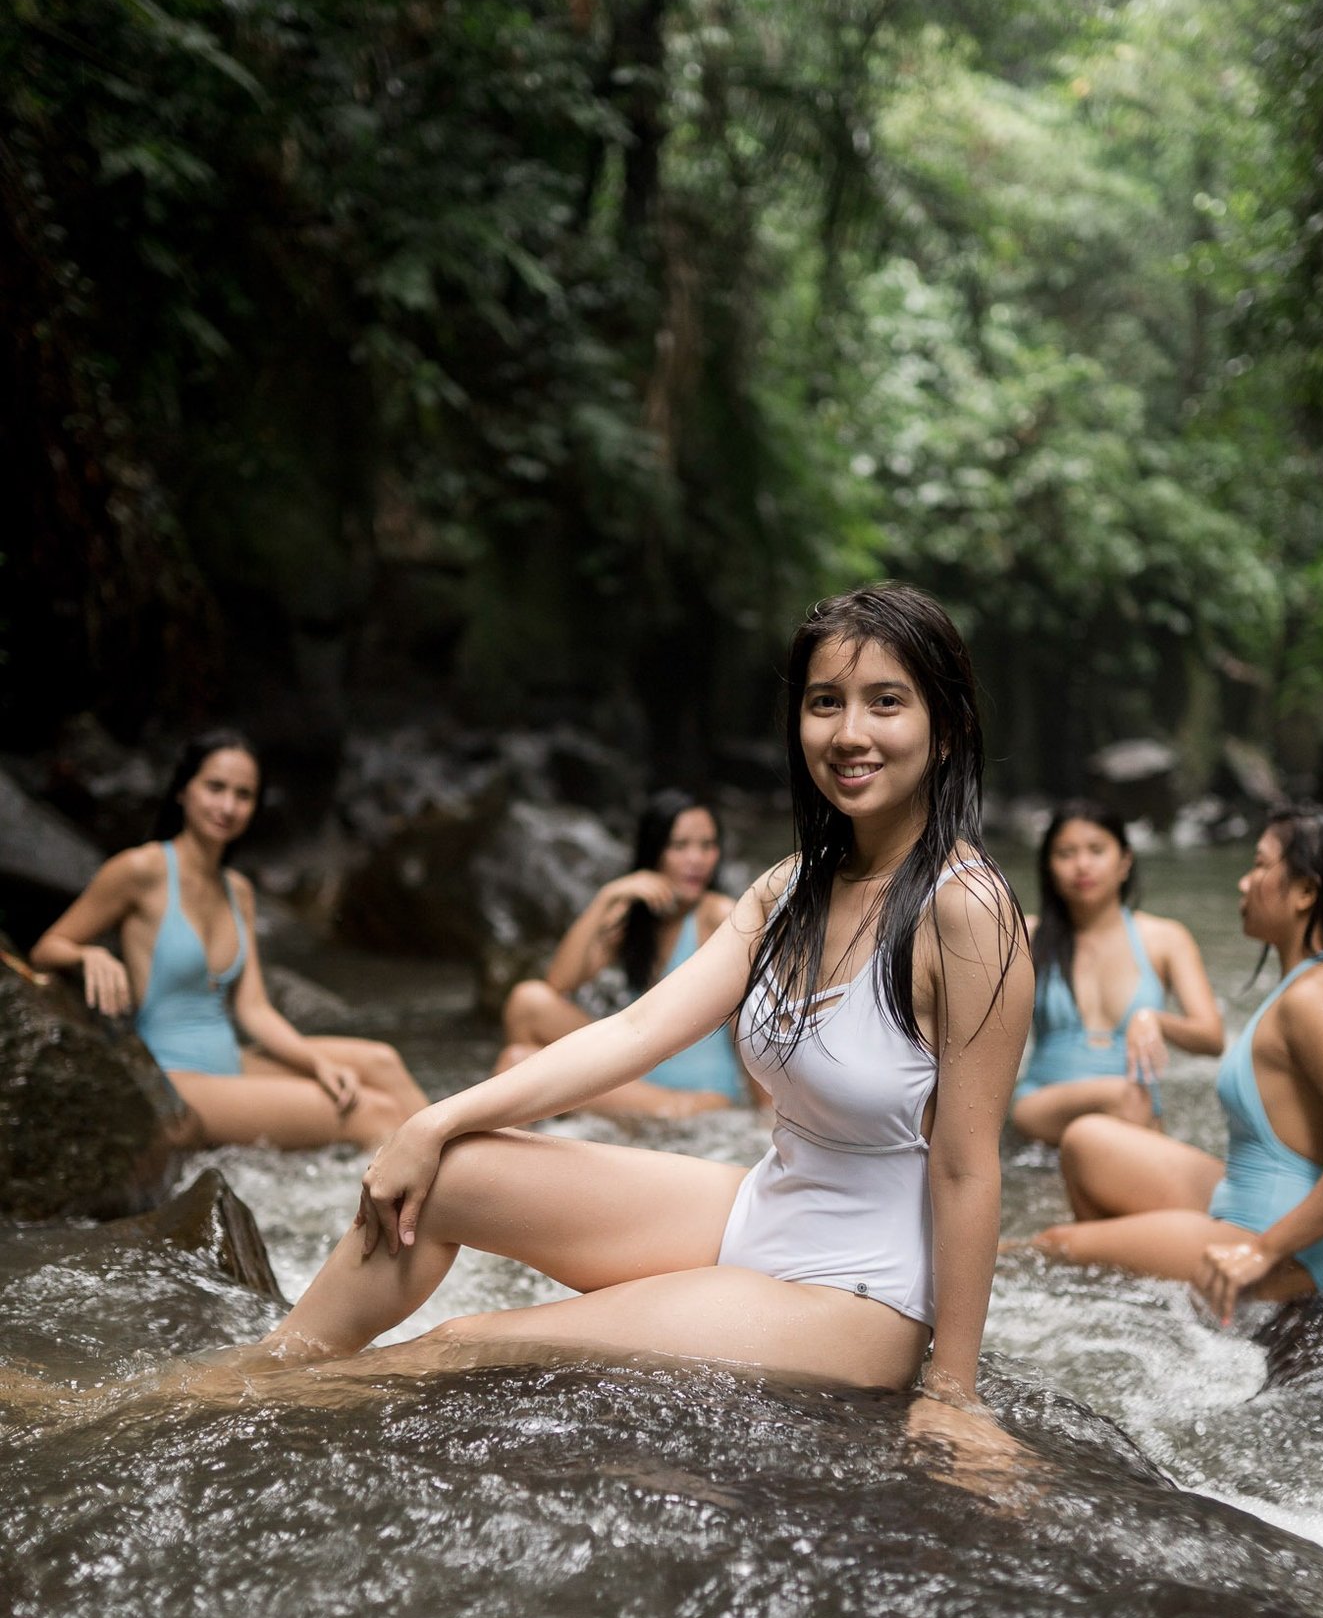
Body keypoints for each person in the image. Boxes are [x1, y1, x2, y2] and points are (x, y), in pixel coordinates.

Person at [21, 586, 1028, 1467]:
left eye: (885, 701)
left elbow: (967, 1169)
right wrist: (435, 1121)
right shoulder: (791, 889)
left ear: (944, 725)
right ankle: (270, 1369)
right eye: (825, 702)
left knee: (464, 1346)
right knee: (445, 1176)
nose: (850, 733)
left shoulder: (966, 911)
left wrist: (954, 1392)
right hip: (764, 1212)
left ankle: (167, 1413)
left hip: (864, 1294)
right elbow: (630, 1032)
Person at [1019, 804, 1323, 1320]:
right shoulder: (1309, 982)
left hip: (1284, 1245)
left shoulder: (1319, 995)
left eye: (1260, 866)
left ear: (1305, 892)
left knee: (1051, 1247)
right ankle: (1148, 1300)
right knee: (1089, 1143)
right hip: (1245, 1196)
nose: (1243, 884)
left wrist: (1262, 1251)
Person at [31, 729, 429, 1151]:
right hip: (176, 1079)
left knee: (382, 1062)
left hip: (232, 1061)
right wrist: (87, 955)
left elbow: (253, 1008)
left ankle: (469, 1169)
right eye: (215, 787)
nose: (228, 806)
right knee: (374, 1114)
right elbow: (45, 949)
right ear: (184, 790)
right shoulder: (139, 871)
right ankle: (436, 1206)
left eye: (243, 795)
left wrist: (317, 1063)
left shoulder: (237, 889)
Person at [495, 790, 757, 1118]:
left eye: (707, 845)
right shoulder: (637, 918)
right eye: (680, 846)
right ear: (654, 852)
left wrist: (768, 1114)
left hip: (693, 1103)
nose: (697, 860)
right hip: (637, 1076)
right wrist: (607, 897)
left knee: (519, 1062)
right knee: (527, 1002)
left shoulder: (719, 916)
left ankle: (517, 1150)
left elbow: (755, 1020)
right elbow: (559, 982)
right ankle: (549, 1134)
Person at [1011, 801, 1223, 1145]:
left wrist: (1155, 1019)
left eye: (1096, 850)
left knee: (1128, 1100)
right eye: (1066, 853)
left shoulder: (1165, 939)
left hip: (1130, 1106)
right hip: (1044, 1104)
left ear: (1124, 862)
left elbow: (1212, 1039)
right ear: (1049, 868)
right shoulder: (1026, 936)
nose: (1082, 865)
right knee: (1126, 1097)